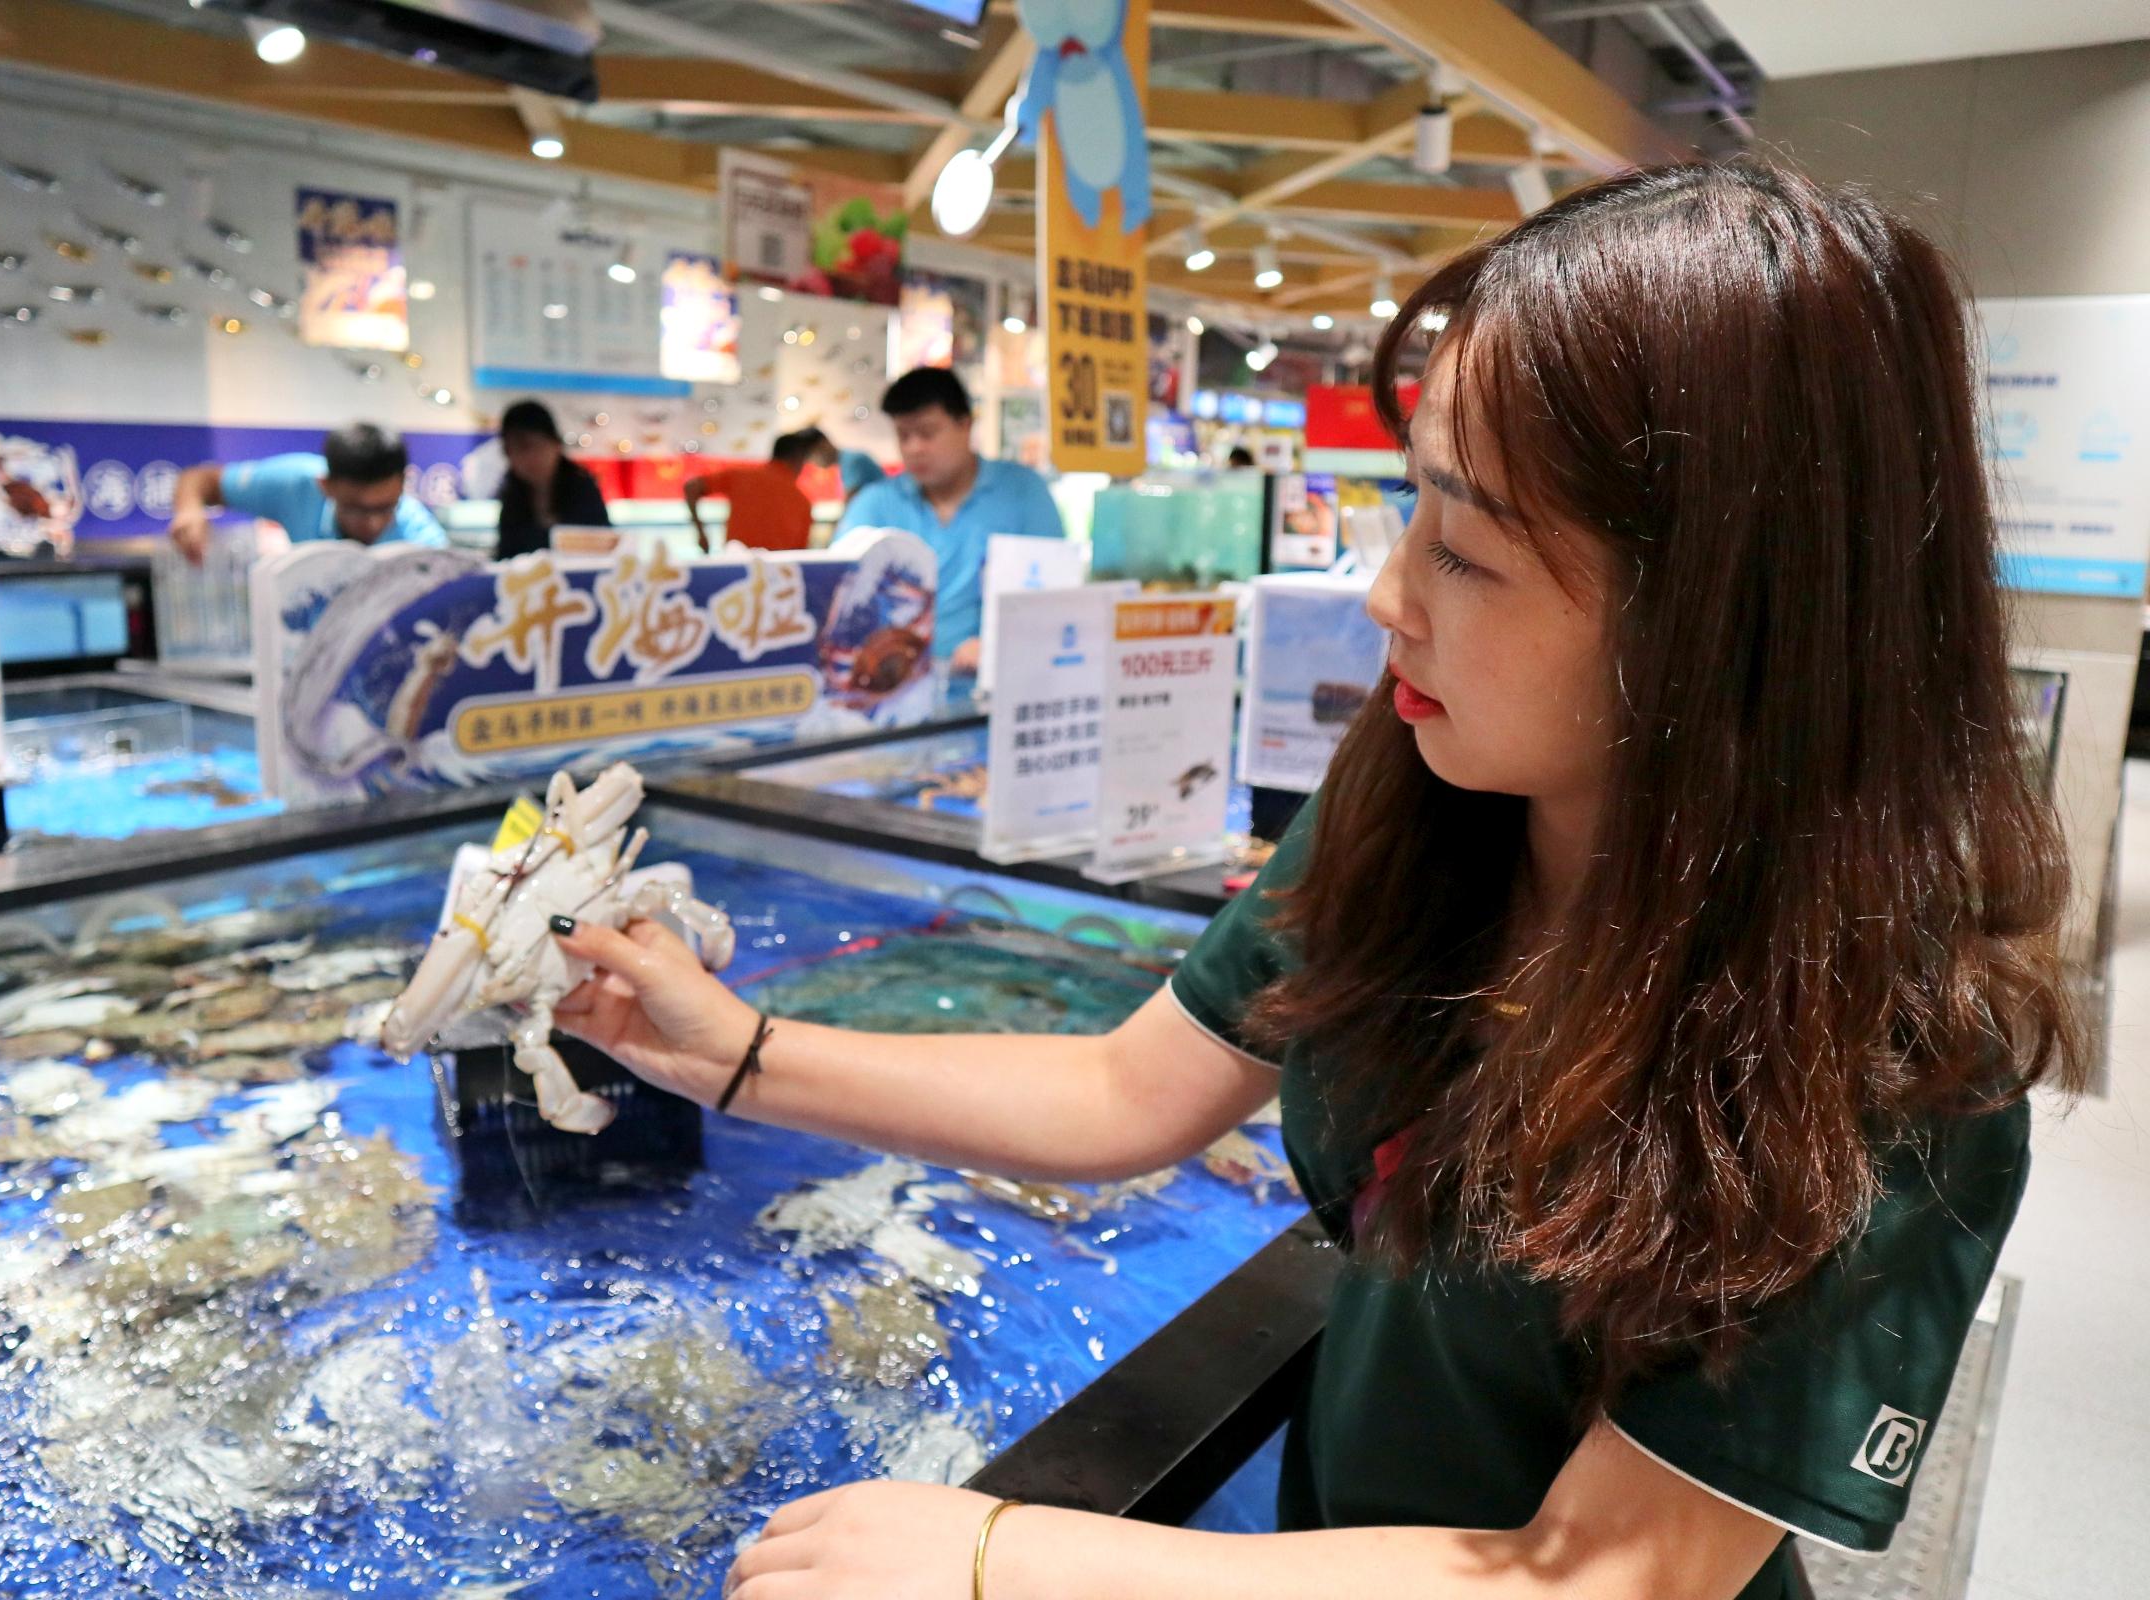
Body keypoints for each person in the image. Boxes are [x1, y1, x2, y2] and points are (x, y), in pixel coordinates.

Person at [536, 164, 2080, 1600]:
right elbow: (1127, 1092)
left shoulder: (1890, 1061)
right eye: (1411, 508)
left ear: (1727, 616)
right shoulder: (1422, 793)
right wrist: (724, 1049)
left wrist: (1005, 1554)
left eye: (1464, 552)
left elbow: (1609, 1575)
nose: (1382, 593)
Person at [838, 367, 1064, 673]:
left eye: (928, 433)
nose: (914, 447)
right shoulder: (875, 504)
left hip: (999, 681)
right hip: (894, 687)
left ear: (965, 425)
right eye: (903, 435)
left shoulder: (1024, 492)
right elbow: (838, 593)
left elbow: (1054, 595)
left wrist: (999, 643)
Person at [166, 423, 443, 561]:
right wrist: (189, 512)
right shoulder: (297, 486)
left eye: (385, 508)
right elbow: (199, 480)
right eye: (357, 509)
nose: (373, 522)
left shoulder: (424, 543)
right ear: (325, 486)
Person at [495, 400, 613, 561]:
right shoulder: (512, 500)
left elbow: (605, 545)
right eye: (515, 449)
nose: (527, 458)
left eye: (533, 446)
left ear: (555, 444)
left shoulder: (583, 489)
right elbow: (505, 558)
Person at [684, 428, 831, 554]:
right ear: (798, 458)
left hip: (735, 570)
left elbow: (691, 487)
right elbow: (799, 556)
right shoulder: (802, 502)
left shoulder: (741, 476)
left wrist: (701, 533)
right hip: (775, 579)